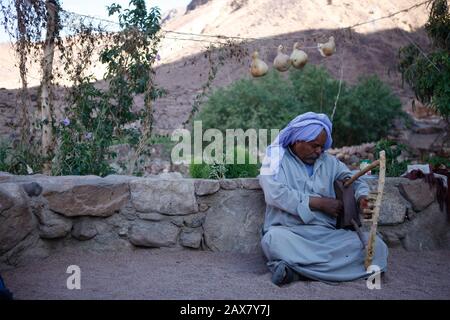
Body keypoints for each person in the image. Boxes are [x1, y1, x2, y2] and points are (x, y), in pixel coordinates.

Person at [259, 112, 388, 286]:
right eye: (314, 146)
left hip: (327, 236)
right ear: (297, 140)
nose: (319, 151)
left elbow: (353, 180)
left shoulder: (330, 163)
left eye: (321, 146)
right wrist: (318, 203)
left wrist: (362, 198)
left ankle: (296, 272)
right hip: (290, 232)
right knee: (273, 241)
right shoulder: (275, 160)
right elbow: (274, 193)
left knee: (376, 246)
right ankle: (336, 271)